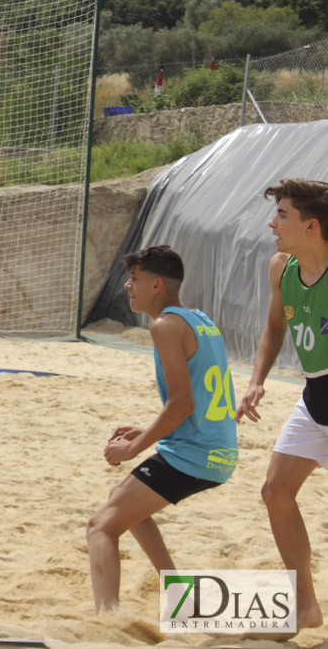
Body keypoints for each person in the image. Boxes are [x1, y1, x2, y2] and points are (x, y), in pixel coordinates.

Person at [87, 245, 238, 613]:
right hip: (218, 450)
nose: (127, 286)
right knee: (123, 503)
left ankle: (106, 622)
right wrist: (145, 431)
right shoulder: (201, 319)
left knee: (100, 526)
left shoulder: (165, 326)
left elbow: (182, 403)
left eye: (134, 279)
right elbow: (200, 401)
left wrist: (133, 448)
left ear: (157, 285)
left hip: (195, 454)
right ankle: (179, 594)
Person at [236, 178, 328, 633]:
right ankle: (305, 607)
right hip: (315, 401)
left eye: (283, 215)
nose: (272, 223)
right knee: (275, 492)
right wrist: (256, 382)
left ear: (311, 226)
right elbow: (274, 327)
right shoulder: (281, 267)